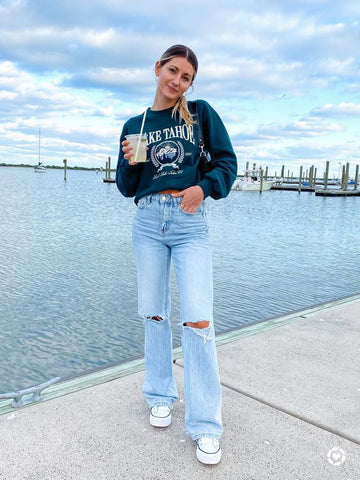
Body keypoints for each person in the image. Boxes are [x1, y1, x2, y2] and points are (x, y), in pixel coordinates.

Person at [116, 45, 237, 465]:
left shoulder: (200, 114)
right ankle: (159, 394)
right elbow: (127, 186)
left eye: (186, 76)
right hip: (148, 221)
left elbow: (226, 162)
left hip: (189, 222)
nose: (178, 81)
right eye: (173, 71)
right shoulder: (136, 124)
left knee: (198, 318)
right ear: (157, 69)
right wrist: (132, 162)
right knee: (153, 312)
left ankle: (205, 424)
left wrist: (204, 188)